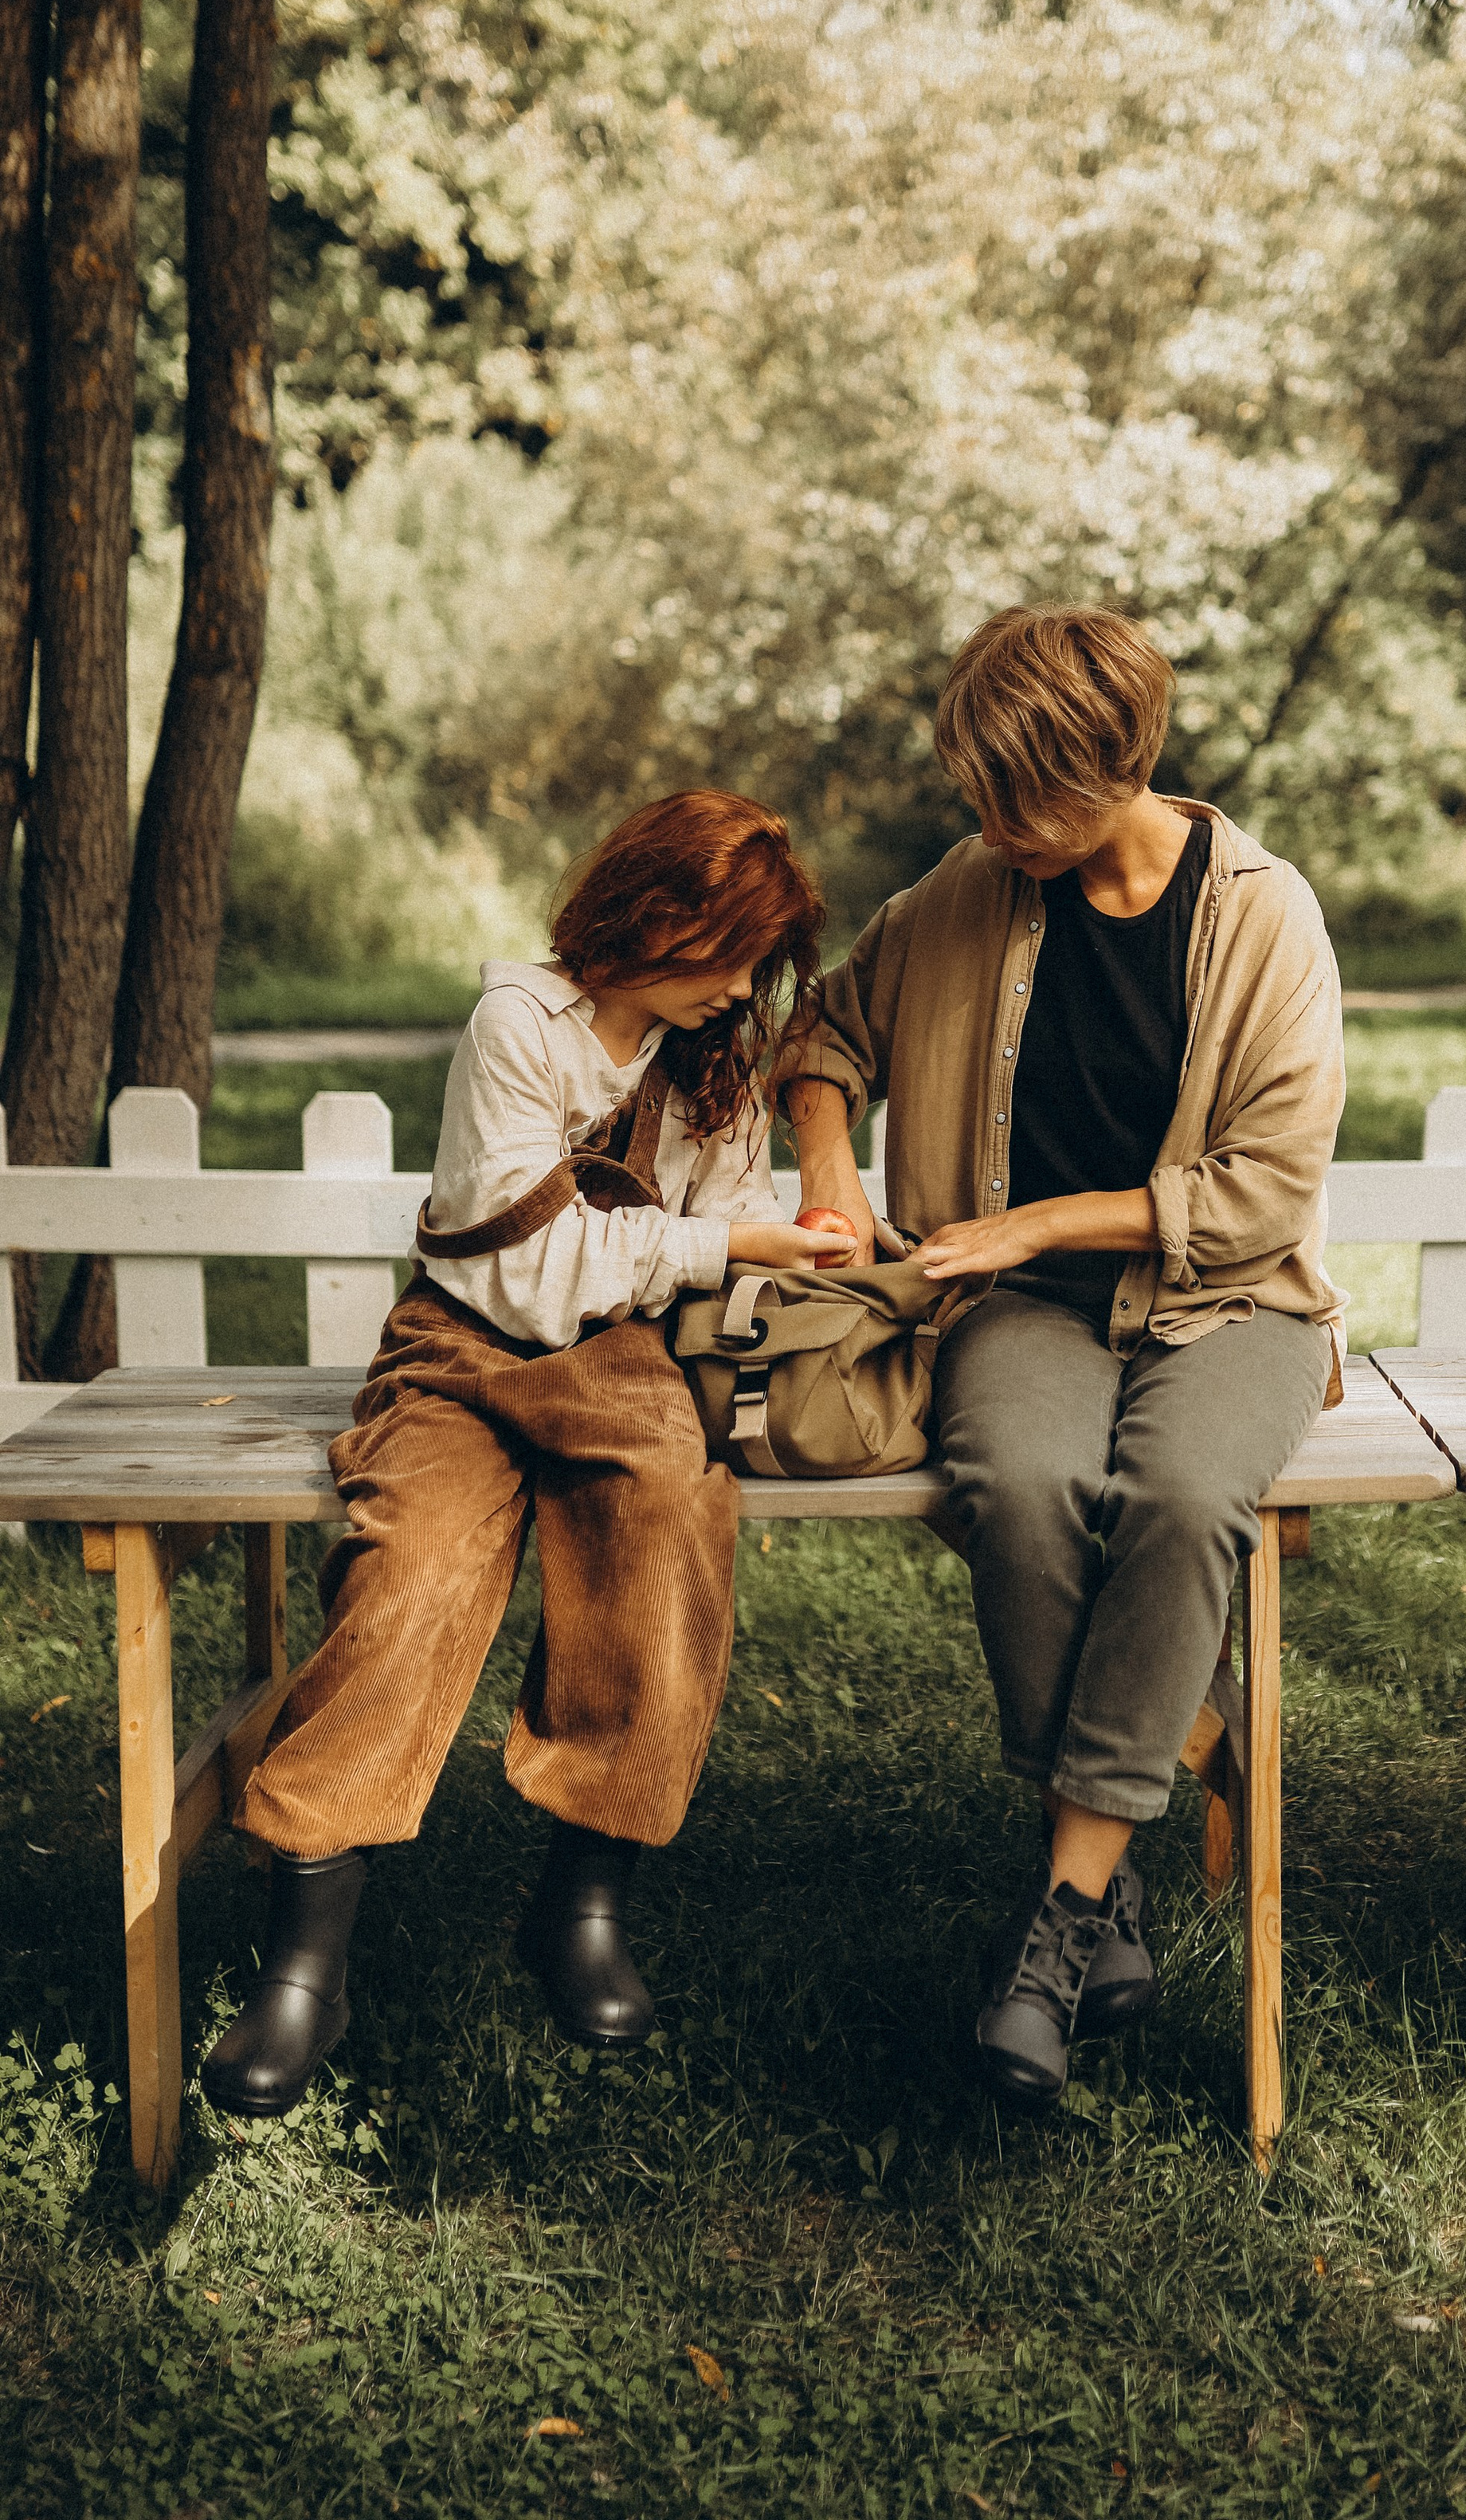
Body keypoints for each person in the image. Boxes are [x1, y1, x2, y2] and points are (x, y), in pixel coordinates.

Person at [783, 606, 1346, 2106]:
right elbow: (820, 1034)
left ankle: (1061, 1911)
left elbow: (1266, 1194)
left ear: (1116, 765)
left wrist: (1033, 1225)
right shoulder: (974, 889)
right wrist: (832, 1164)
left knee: (1180, 1497)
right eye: (976, 793)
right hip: (1018, 1318)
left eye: (1011, 796)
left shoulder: (1264, 915)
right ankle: (1102, 1886)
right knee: (1021, 1480)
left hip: (1235, 1304)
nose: (984, 825)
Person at [202, 789, 837, 2120]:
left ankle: (582, 1902)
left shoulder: (715, 1056)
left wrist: (778, 1258)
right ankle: (307, 1965)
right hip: (466, 1348)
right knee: (408, 1571)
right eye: (726, 953)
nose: (740, 988)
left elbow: (727, 1227)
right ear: (655, 919)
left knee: (671, 1521)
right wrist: (724, 1247)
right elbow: (535, 1279)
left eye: (754, 965)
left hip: (628, 1360)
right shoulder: (521, 1029)